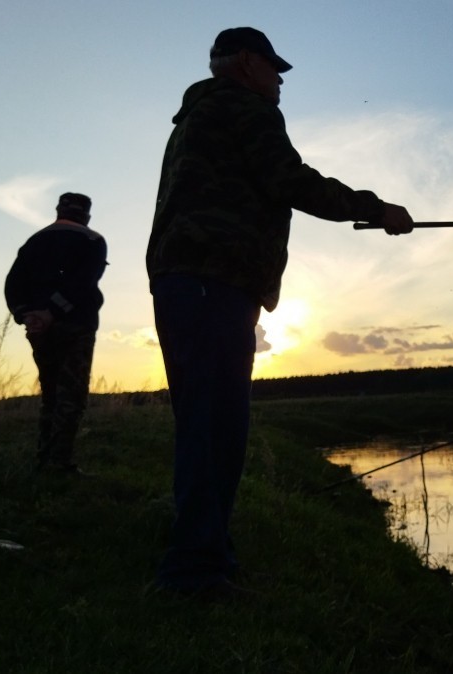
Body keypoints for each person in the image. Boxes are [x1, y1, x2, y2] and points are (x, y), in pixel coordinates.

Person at [146, 27, 413, 600]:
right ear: (246, 63)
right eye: (275, 66)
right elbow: (290, 180)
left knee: (210, 424)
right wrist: (375, 209)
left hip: (187, 282)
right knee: (215, 428)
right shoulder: (245, 107)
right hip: (211, 283)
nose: (282, 77)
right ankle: (192, 573)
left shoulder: (197, 115)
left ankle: (208, 553)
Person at [5, 192, 107, 475]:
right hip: (77, 326)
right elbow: (84, 283)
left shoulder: (34, 242)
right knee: (71, 396)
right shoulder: (93, 241)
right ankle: (58, 464)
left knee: (50, 394)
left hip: (40, 329)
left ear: (58, 211)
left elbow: (13, 283)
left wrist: (26, 314)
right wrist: (52, 312)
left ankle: (44, 458)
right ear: (86, 215)